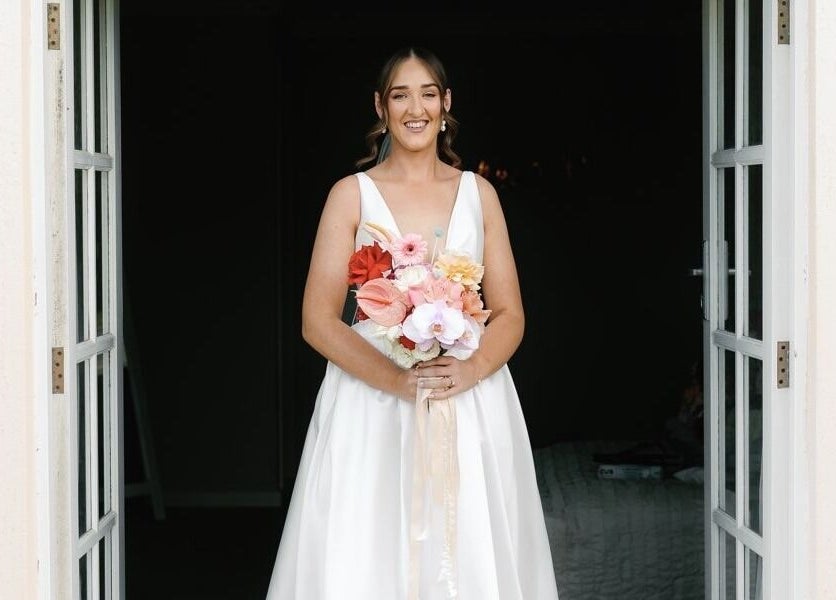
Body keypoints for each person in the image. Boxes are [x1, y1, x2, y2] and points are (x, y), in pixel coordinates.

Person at [266, 46, 560, 600]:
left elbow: (511, 313)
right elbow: (317, 320)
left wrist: (470, 372)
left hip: (468, 400)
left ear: (447, 104)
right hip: (371, 403)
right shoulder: (350, 195)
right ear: (381, 107)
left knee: (467, 544)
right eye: (401, 94)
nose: (415, 107)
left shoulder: (479, 194)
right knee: (367, 543)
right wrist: (399, 381)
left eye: (428, 93)